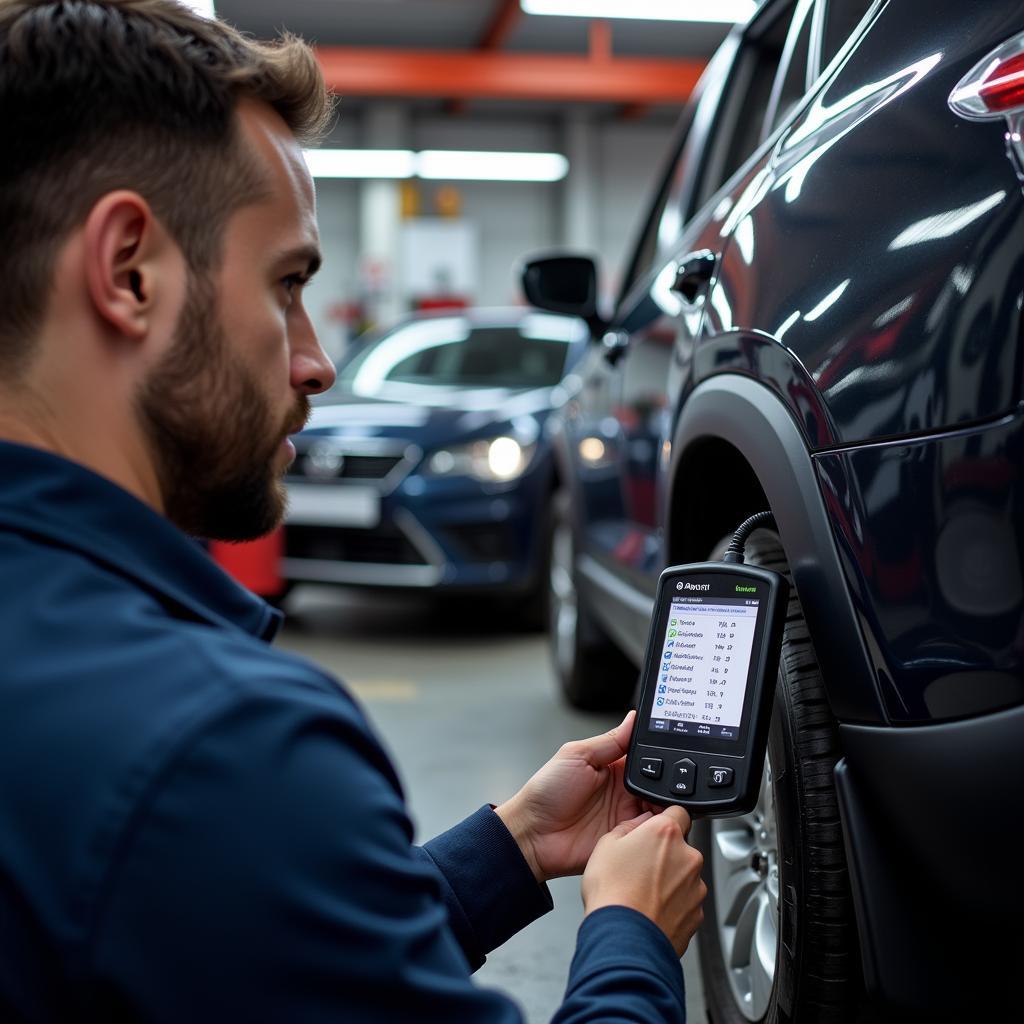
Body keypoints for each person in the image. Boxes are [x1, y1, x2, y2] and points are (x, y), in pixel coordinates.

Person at [0, 2, 707, 1021]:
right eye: (286, 284)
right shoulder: (223, 744)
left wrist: (507, 849)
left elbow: (224, 946)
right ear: (129, 272)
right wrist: (629, 938)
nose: (315, 360)